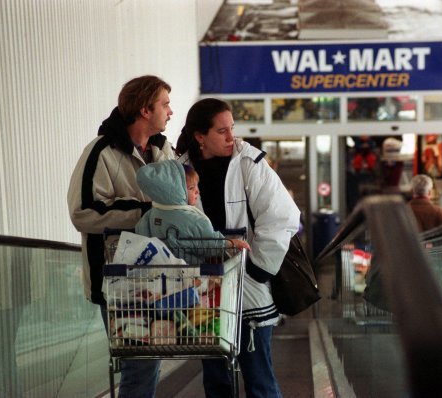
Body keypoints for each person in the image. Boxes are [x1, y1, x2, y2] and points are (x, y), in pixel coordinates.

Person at [176, 98, 300, 398]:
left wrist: (257, 269)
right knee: (216, 382)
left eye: (232, 128)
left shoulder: (250, 162)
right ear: (199, 136)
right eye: (222, 131)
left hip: (250, 290)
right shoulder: (178, 171)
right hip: (203, 292)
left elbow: (283, 216)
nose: (231, 137)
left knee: (260, 380)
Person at [67, 75, 175, 398]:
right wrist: (144, 213)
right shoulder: (100, 152)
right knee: (140, 366)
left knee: (147, 363)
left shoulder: (163, 148)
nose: (171, 112)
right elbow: (82, 212)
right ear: (145, 109)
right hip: (117, 280)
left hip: (160, 278)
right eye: (165, 104)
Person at [135, 159, 250, 262]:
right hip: (191, 273)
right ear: (176, 191)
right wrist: (231, 243)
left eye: (196, 186)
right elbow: (209, 244)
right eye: (191, 188)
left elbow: (140, 232)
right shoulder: (193, 220)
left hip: (160, 273)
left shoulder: (152, 213)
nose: (197, 192)